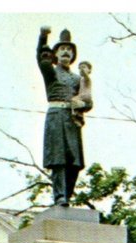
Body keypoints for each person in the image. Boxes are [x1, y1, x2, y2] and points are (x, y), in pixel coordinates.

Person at [37, 26, 92, 207]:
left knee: (74, 162)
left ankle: (67, 195)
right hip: (56, 117)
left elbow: (88, 101)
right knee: (58, 159)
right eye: (62, 49)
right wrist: (43, 37)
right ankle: (60, 196)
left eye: (69, 50)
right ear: (56, 54)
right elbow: (41, 58)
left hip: (72, 120)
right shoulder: (51, 72)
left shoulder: (77, 79)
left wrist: (82, 104)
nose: (66, 52)